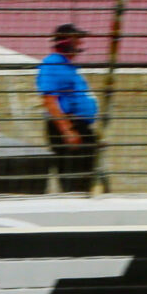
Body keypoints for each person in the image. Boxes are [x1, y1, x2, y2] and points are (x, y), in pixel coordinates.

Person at [36, 23, 100, 195]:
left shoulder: (68, 66)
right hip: (68, 127)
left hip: (79, 127)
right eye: (76, 40)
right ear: (65, 42)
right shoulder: (52, 64)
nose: (80, 44)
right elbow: (50, 100)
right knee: (73, 175)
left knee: (85, 173)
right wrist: (67, 130)